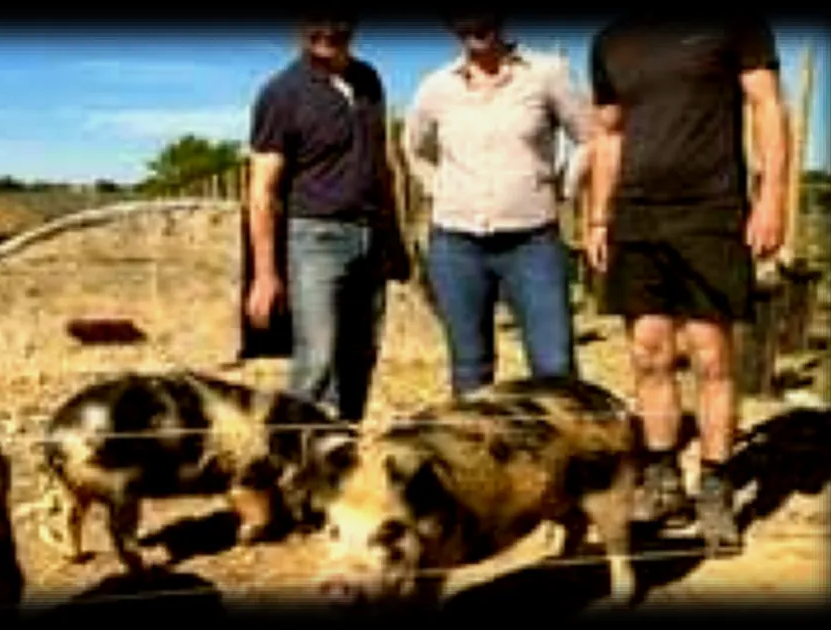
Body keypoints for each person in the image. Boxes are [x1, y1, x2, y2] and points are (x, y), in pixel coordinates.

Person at [585, 17, 788, 551]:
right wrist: (599, 218)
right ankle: (663, 479)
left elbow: (766, 104)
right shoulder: (610, 39)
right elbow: (608, 134)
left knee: (710, 356)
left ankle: (716, 489)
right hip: (635, 215)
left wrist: (771, 198)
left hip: (711, 211)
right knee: (648, 353)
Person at [401, 15, 592, 399]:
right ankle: (475, 454)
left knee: (554, 365)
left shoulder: (547, 73)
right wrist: (440, 188)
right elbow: (414, 147)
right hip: (456, 246)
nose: (474, 26)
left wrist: (563, 186)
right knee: (470, 367)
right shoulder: (436, 87)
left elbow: (588, 137)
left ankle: (565, 452)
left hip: (532, 242)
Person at [244, 14, 408, 424]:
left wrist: (394, 238)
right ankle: (294, 461)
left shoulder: (369, 80)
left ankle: (343, 455)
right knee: (316, 362)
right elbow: (262, 190)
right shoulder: (281, 93)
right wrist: (265, 275)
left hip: (371, 239)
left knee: (360, 358)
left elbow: (383, 167)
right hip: (316, 238)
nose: (328, 32)